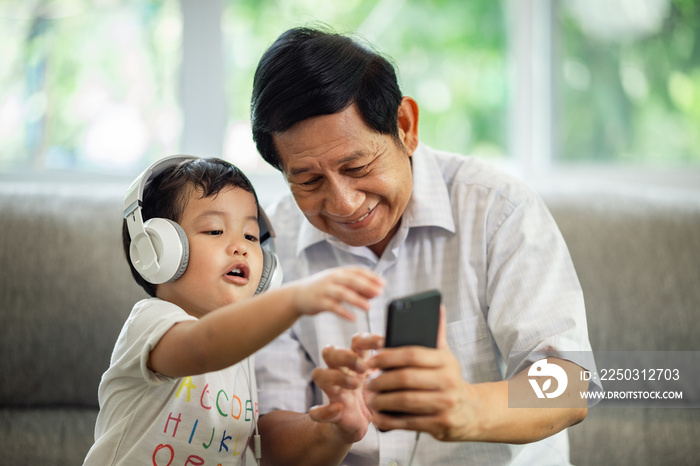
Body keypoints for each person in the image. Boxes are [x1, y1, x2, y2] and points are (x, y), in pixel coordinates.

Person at [250, 26, 601, 465]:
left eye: (357, 165)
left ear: (405, 126)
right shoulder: (266, 247)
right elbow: (264, 434)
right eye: (309, 180)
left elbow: (569, 386)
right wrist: (332, 429)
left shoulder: (499, 210)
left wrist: (465, 407)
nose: (344, 202)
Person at [83, 156, 384, 465]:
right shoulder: (150, 323)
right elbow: (201, 347)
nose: (241, 247)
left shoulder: (244, 358)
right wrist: (294, 298)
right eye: (215, 231)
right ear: (158, 251)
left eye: (251, 236)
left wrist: (340, 429)